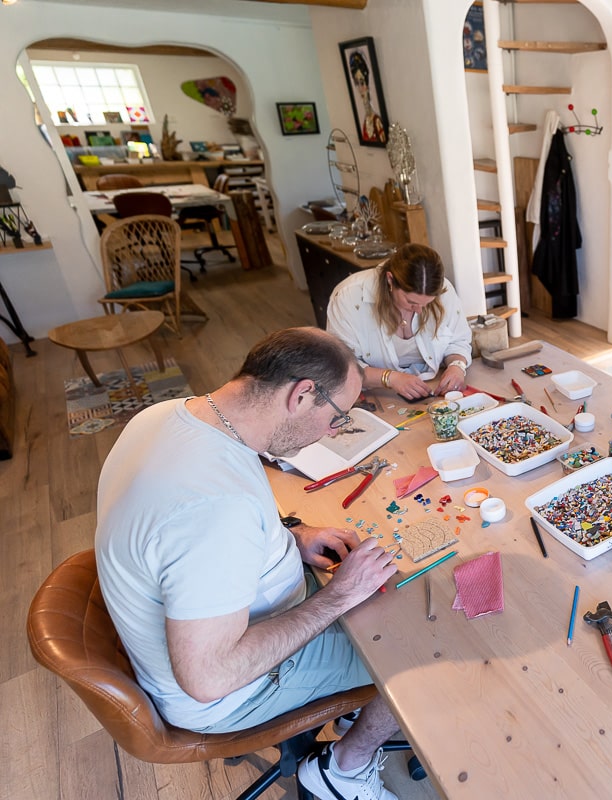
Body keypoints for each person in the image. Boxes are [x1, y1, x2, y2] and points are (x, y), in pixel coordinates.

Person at [95, 327, 404, 800]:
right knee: (417, 642)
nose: (333, 431)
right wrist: (339, 596)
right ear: (302, 395)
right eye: (337, 417)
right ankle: (344, 768)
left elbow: (200, 540)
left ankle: (345, 705)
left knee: (382, 600)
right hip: (232, 689)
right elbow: (208, 678)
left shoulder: (169, 415)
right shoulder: (215, 509)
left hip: (217, 628)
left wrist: (290, 537)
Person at [326, 243, 473, 401]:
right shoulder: (348, 299)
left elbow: (458, 340)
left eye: (427, 303)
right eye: (411, 302)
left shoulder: (444, 290)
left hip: (433, 382)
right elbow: (341, 366)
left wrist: (457, 366)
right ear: (390, 280)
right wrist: (390, 378)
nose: (418, 311)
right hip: (375, 392)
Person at [348, 50, 385, 144]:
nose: (360, 88)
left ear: (367, 84)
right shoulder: (365, 121)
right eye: (357, 83)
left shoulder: (377, 121)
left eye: (362, 82)